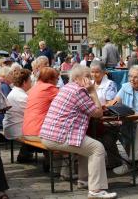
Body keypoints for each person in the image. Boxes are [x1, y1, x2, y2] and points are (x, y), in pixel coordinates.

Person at [40, 65, 117, 199]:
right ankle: (95, 191)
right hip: (59, 137)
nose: (90, 79)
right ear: (77, 78)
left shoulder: (66, 88)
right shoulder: (79, 91)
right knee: (97, 148)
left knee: (86, 142)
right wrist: (93, 91)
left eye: (90, 76)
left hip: (48, 134)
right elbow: (98, 113)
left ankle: (84, 180)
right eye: (87, 76)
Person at [90, 61, 121, 169]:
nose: (94, 75)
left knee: (107, 136)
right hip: (93, 118)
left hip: (107, 118)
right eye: (92, 72)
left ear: (104, 72)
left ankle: (114, 161)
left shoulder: (110, 84)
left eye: (97, 72)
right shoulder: (89, 83)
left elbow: (110, 103)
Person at [3, 68, 32, 145]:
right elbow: (33, 116)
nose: (31, 82)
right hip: (16, 131)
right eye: (30, 80)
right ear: (24, 82)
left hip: (9, 128)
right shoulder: (22, 96)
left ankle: (26, 152)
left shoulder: (14, 92)